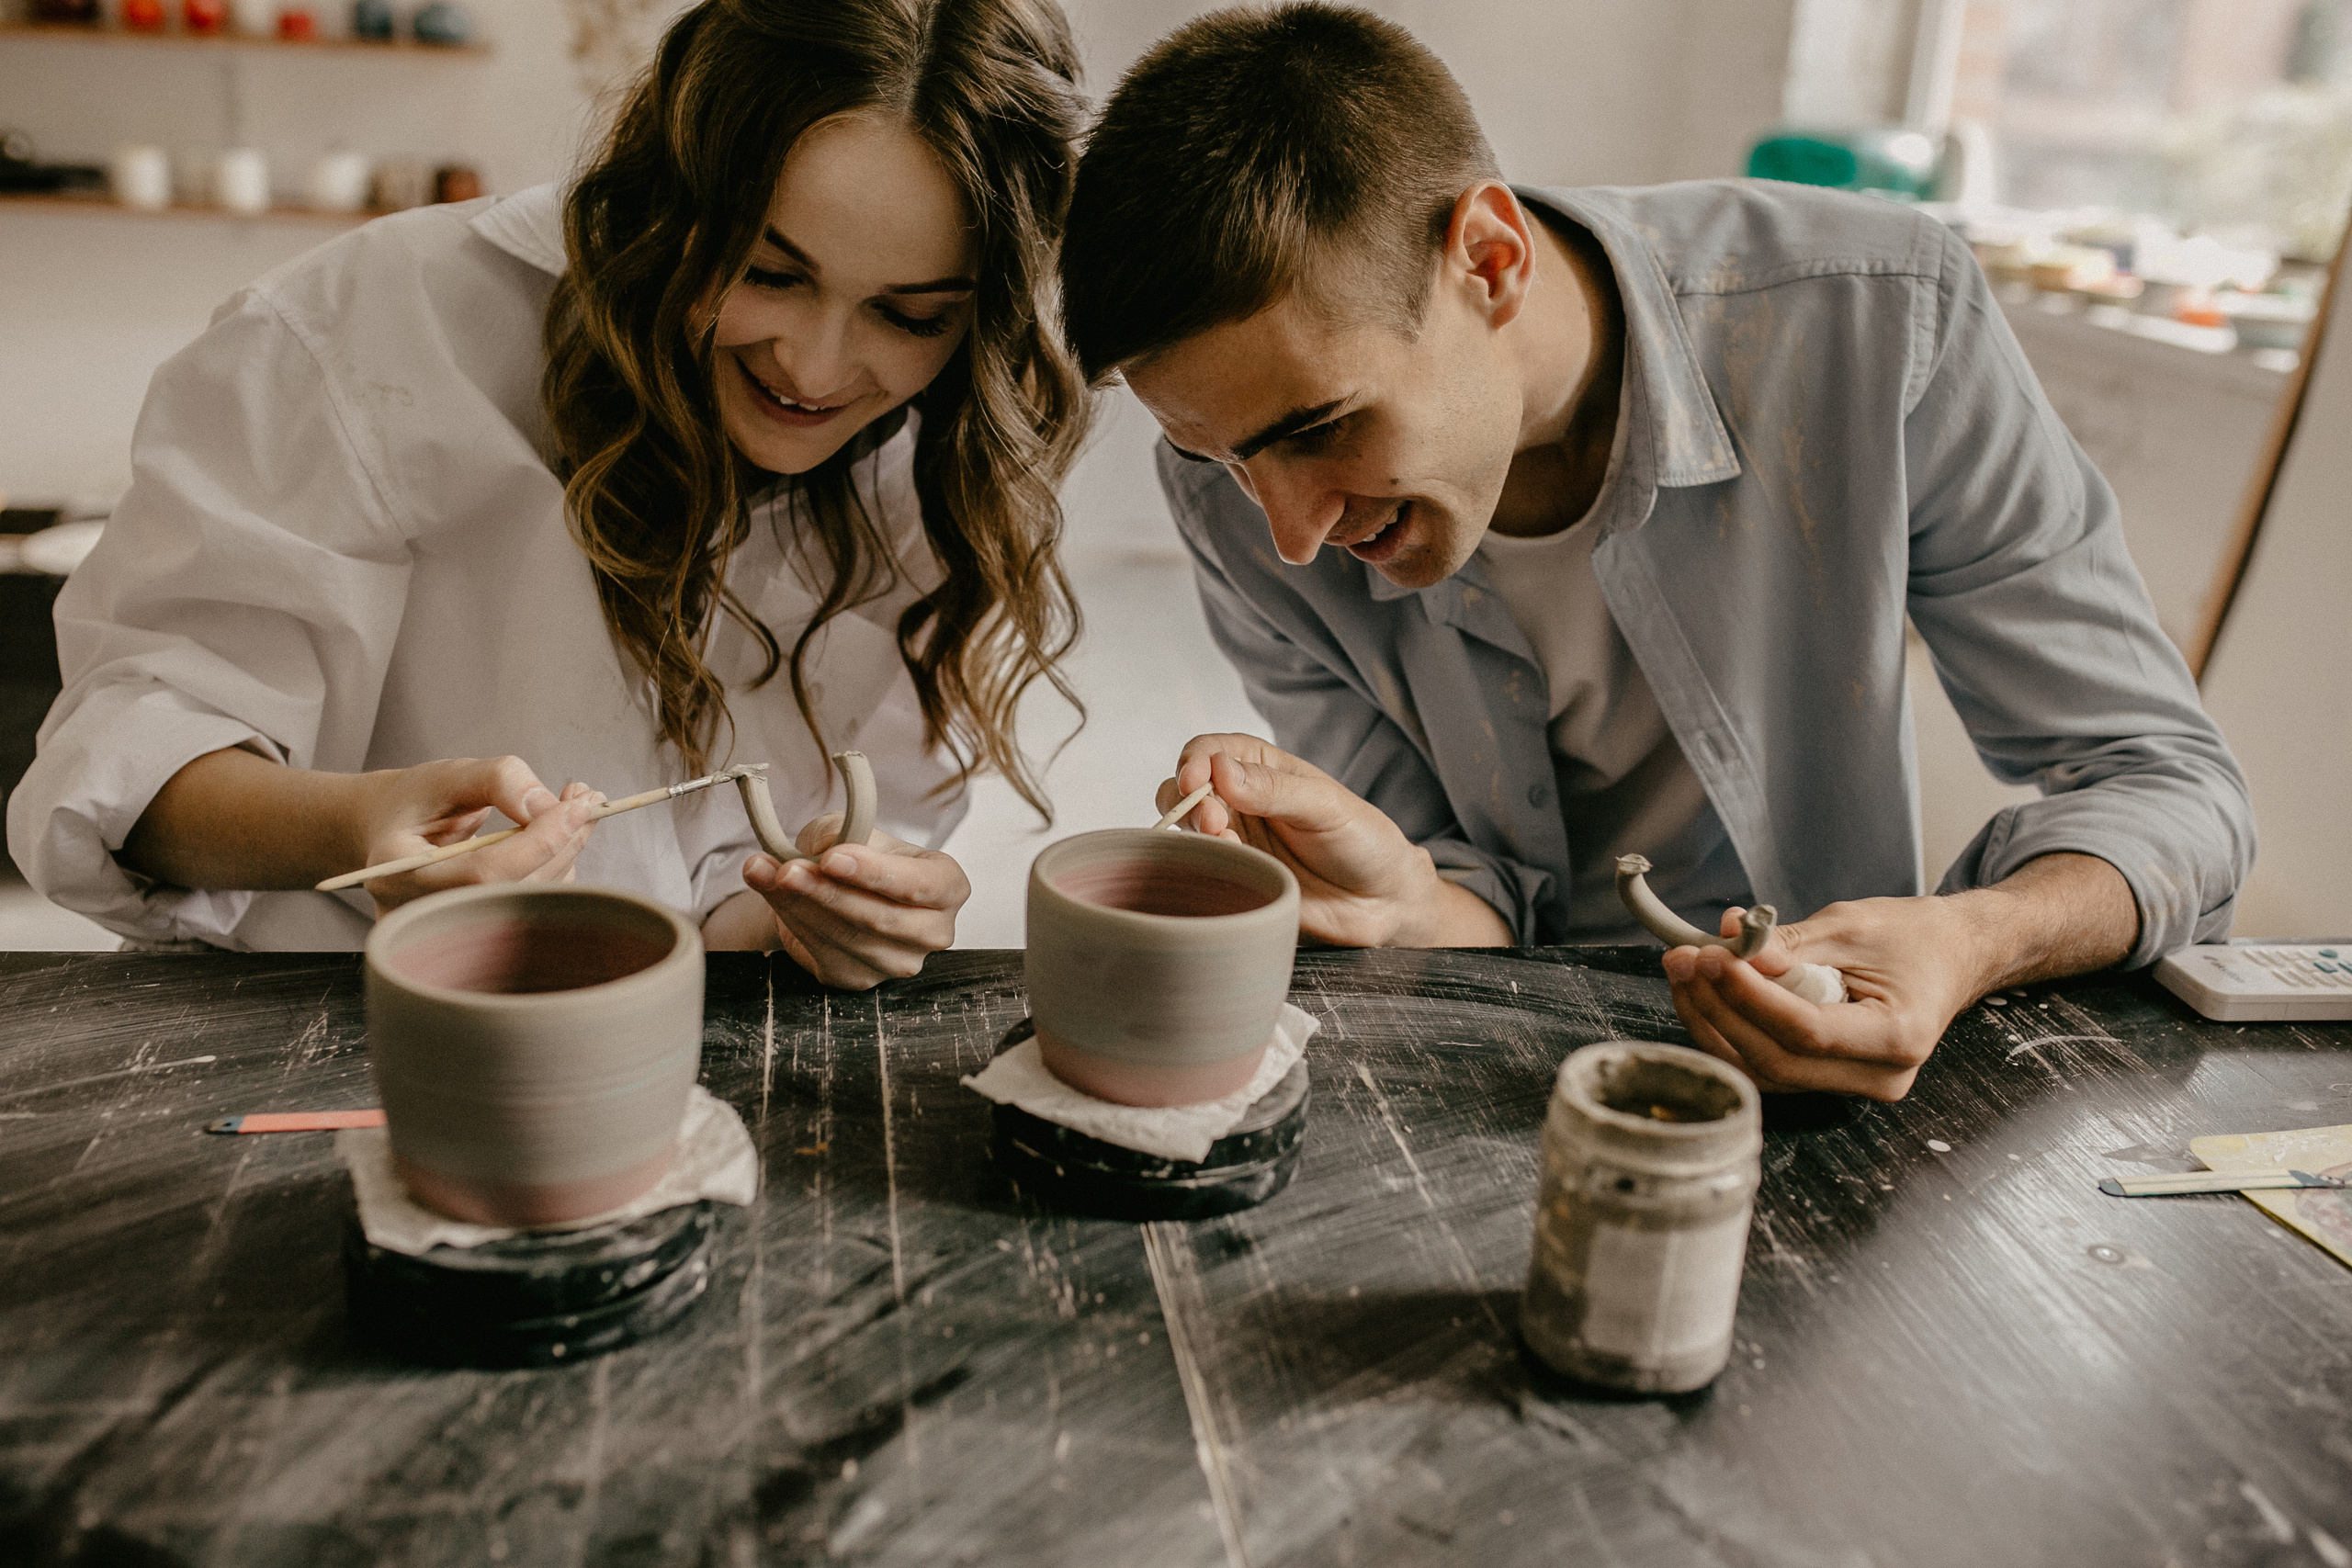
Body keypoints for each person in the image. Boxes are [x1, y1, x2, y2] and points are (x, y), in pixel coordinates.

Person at [1057, 4, 2255, 1099]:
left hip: (1833, 1103)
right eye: (1221, 456)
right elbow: (1473, 911)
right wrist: (1414, 894)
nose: (1292, 532)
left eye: (1321, 428)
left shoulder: (1875, 317)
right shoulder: (1237, 510)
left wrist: (1969, 938)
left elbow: (2169, 787)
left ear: (1489, 259)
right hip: (1494, 1075)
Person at [8, 0, 1091, 987]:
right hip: (320, 1025)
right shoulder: (373, 328)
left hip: (662, 1041)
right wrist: (360, 824)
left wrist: (825, 916)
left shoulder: (942, 452)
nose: (813, 370)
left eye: (911, 316)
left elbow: (737, 888)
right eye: (769, 272)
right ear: (673, 201)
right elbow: (133, 773)